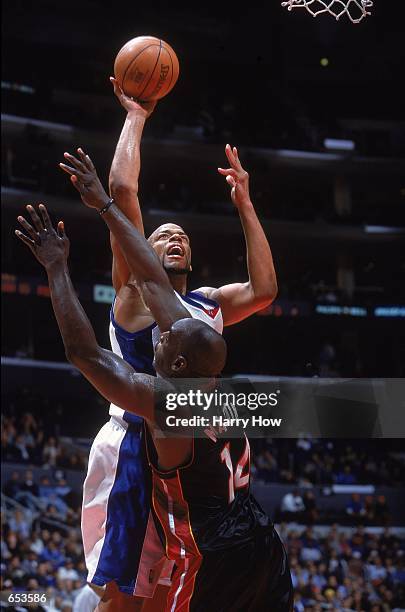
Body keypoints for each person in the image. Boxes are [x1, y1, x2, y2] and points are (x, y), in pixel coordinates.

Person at [58, 82, 278, 611]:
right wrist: (135, 116)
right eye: (161, 236)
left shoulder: (208, 303)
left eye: (183, 236)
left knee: (169, 593)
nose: (175, 237)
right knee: (124, 595)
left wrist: (245, 203)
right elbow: (121, 193)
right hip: (136, 443)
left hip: (189, 459)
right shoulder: (135, 290)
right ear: (142, 250)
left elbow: (265, 290)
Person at [15, 199, 293, 611]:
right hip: (262, 540)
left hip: (210, 549)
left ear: (178, 364)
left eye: (164, 341)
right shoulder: (233, 396)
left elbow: (84, 353)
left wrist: (62, 263)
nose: (159, 337)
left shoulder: (165, 406)